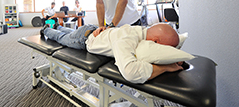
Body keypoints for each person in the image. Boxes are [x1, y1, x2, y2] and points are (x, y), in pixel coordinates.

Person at [40, 23, 183, 84]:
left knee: (70, 33)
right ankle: (46, 29)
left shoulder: (140, 30)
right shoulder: (127, 40)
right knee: (61, 38)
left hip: (91, 30)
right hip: (83, 39)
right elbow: (131, 73)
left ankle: (59, 26)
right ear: (156, 42)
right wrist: (165, 67)